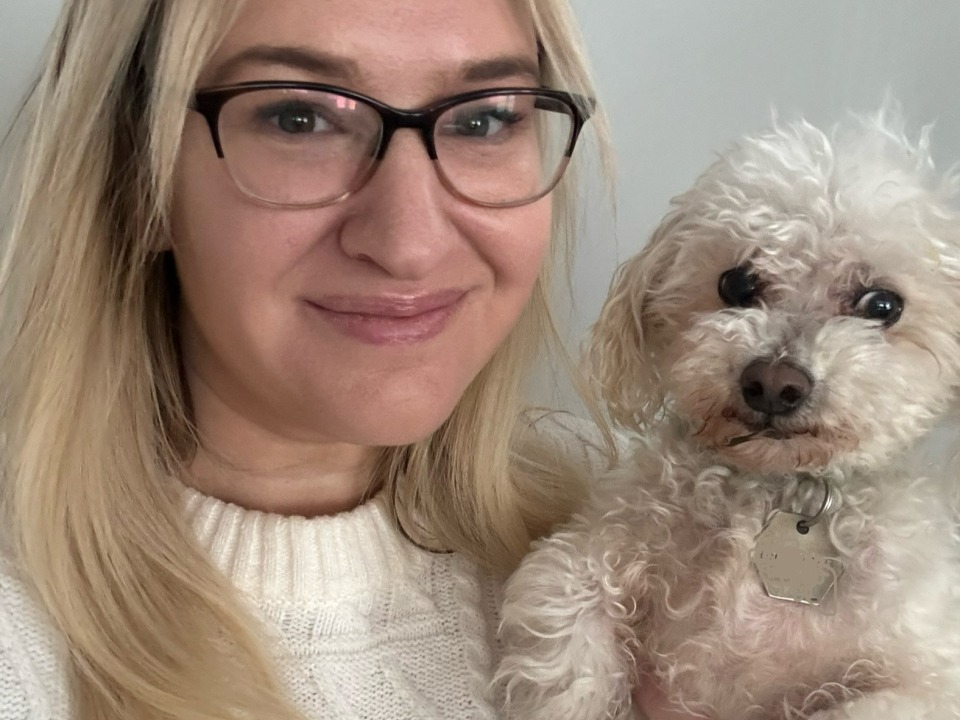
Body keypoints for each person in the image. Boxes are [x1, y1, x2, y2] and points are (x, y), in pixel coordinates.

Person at [0, 0, 700, 718]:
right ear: (136, 177)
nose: (410, 245)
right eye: (299, 118)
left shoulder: (646, 532)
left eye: (483, 119)